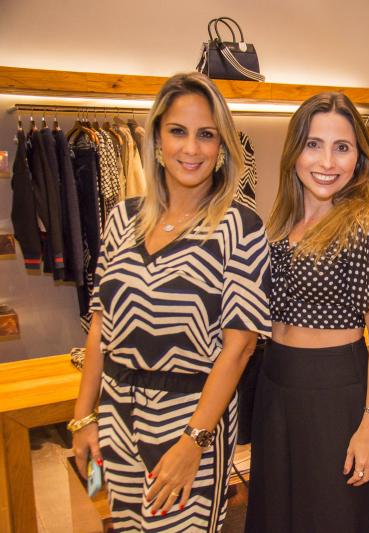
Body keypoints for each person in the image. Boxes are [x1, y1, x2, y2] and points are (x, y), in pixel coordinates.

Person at [68, 71, 271, 532]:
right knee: (125, 525)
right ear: (157, 138)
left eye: (206, 135)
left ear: (222, 148)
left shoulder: (239, 227)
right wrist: (84, 417)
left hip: (189, 419)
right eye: (178, 131)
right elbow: (100, 325)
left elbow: (239, 347)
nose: (191, 148)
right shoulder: (122, 219)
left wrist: (193, 442)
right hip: (116, 414)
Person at [244, 92, 369, 533]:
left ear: (359, 158)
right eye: (313, 145)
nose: (327, 161)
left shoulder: (368, 226)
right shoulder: (279, 224)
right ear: (295, 151)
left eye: (342, 147)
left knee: (333, 516)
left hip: (334, 393)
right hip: (275, 387)